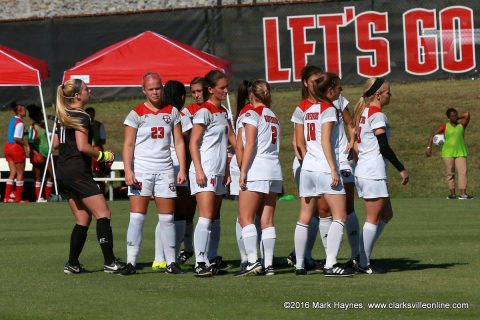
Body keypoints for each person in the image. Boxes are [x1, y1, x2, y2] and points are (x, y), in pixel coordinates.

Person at [53, 79, 124, 274]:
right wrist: (103, 155)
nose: (89, 90)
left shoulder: (63, 116)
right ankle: (110, 262)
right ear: (77, 96)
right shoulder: (81, 116)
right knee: (104, 213)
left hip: (63, 171)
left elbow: (55, 145)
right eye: (85, 89)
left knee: (83, 219)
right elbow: (83, 146)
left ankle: (72, 264)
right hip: (77, 171)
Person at [122, 72, 187, 275]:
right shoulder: (136, 114)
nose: (155, 92)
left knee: (167, 218)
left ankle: (170, 262)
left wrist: (182, 168)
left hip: (165, 170)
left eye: (158, 88)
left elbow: (178, 142)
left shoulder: (172, 112)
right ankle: (131, 262)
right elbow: (128, 144)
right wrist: (128, 170)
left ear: (162, 88)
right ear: (144, 90)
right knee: (137, 218)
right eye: (150, 89)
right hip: (142, 171)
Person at [293, 72, 354, 277]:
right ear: (329, 90)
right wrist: (333, 169)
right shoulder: (328, 109)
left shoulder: (307, 108)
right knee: (340, 215)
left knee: (304, 217)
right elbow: (326, 141)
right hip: (323, 167)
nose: (341, 90)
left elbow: (299, 142)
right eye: (338, 87)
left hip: (308, 168)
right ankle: (330, 264)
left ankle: (300, 264)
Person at [353, 77, 409, 274]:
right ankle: (363, 262)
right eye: (388, 92)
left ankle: (361, 255)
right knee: (373, 218)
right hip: (372, 172)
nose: (390, 95)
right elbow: (383, 147)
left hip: (367, 170)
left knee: (386, 214)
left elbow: (359, 144)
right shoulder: (375, 114)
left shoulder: (365, 112)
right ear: (378, 94)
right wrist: (401, 168)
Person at [189, 69, 236, 277]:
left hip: (217, 171)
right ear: (211, 89)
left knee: (215, 217)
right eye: (222, 87)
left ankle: (210, 257)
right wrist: (198, 170)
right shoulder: (204, 112)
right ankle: (199, 262)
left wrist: (227, 169)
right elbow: (193, 143)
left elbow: (226, 143)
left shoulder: (223, 112)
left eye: (226, 86)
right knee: (206, 216)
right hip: (204, 170)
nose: (226, 90)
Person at [235, 79, 282, 277]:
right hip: (274, 169)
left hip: (258, 168)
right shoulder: (273, 115)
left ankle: (253, 261)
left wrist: (243, 170)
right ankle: (268, 264)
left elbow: (250, 143)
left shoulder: (251, 113)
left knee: (245, 218)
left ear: (252, 95)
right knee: (267, 220)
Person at [155, 79, 195, 271]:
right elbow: (186, 143)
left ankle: (158, 258)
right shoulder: (180, 115)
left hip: (160, 166)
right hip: (178, 167)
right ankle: (172, 256)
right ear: (181, 97)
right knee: (178, 214)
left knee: (164, 215)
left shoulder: (159, 113)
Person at [176, 77, 206, 265]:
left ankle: (208, 253)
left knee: (209, 212)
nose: (196, 95)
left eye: (199, 91)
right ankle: (188, 249)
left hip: (212, 164)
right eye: (193, 92)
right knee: (188, 209)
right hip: (193, 165)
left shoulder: (219, 110)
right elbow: (186, 140)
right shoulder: (187, 112)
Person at [425, 108, 471, 199]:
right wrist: (429, 147)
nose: (454, 117)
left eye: (455, 115)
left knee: (463, 172)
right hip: (448, 153)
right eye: (452, 116)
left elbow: (467, 114)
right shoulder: (445, 126)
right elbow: (433, 134)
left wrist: (458, 117)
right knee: (450, 174)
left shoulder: (462, 125)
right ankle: (452, 194)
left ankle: (463, 194)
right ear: (448, 118)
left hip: (461, 152)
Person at [27, 104, 53, 202]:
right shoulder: (32, 127)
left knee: (50, 175)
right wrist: (36, 153)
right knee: (38, 176)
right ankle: (39, 197)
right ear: (36, 115)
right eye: (40, 113)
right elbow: (30, 142)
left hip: (47, 153)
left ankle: (48, 196)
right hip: (38, 154)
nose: (42, 114)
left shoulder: (44, 125)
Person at [3, 102, 29, 203]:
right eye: (24, 109)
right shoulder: (20, 123)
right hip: (16, 148)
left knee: (12, 172)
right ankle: (17, 198)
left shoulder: (12, 120)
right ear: (19, 111)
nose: (25, 111)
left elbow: (12, 133)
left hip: (8, 147)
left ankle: (6, 197)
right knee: (20, 174)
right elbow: (17, 138)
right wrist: (26, 144)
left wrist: (24, 132)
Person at [85, 107, 108, 194]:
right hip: (86, 149)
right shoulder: (82, 125)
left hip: (96, 150)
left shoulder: (99, 125)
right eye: (89, 114)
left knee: (96, 150)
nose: (91, 116)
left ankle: (95, 169)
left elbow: (103, 140)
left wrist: (95, 145)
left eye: (92, 114)